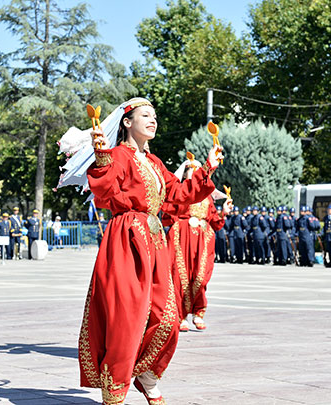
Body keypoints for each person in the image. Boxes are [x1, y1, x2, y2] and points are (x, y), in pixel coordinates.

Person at [57, 97, 221, 404]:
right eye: (145, 115)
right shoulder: (117, 154)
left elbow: (178, 194)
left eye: (155, 115)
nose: (153, 120)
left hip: (155, 241)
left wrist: (208, 166)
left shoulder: (155, 162)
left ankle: (146, 374)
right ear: (127, 122)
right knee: (126, 317)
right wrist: (102, 158)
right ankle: (115, 391)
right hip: (127, 239)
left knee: (168, 317)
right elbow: (105, 194)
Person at [163, 159, 231, 332]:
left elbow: (215, 222)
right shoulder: (180, 191)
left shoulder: (207, 196)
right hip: (182, 236)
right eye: (190, 169)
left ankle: (198, 311)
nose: (193, 171)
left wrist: (224, 212)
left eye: (196, 168)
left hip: (203, 238)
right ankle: (182, 315)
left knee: (201, 276)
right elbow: (167, 211)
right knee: (180, 274)